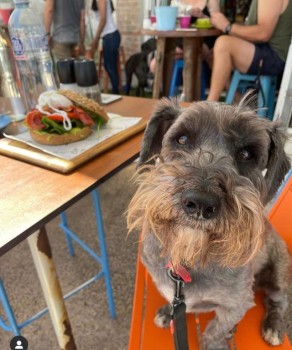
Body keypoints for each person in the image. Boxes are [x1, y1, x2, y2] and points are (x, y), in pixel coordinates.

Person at [207, 0, 292, 101]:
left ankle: (209, 106)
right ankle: (239, 103)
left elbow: (263, 33)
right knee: (214, 55)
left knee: (223, 44)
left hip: (275, 57)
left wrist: (228, 27)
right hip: (264, 49)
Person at [87, 0, 121, 94]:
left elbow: (103, 19)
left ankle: (116, 93)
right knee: (108, 66)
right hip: (108, 36)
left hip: (111, 35)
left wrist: (96, 39)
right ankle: (116, 92)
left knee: (110, 67)